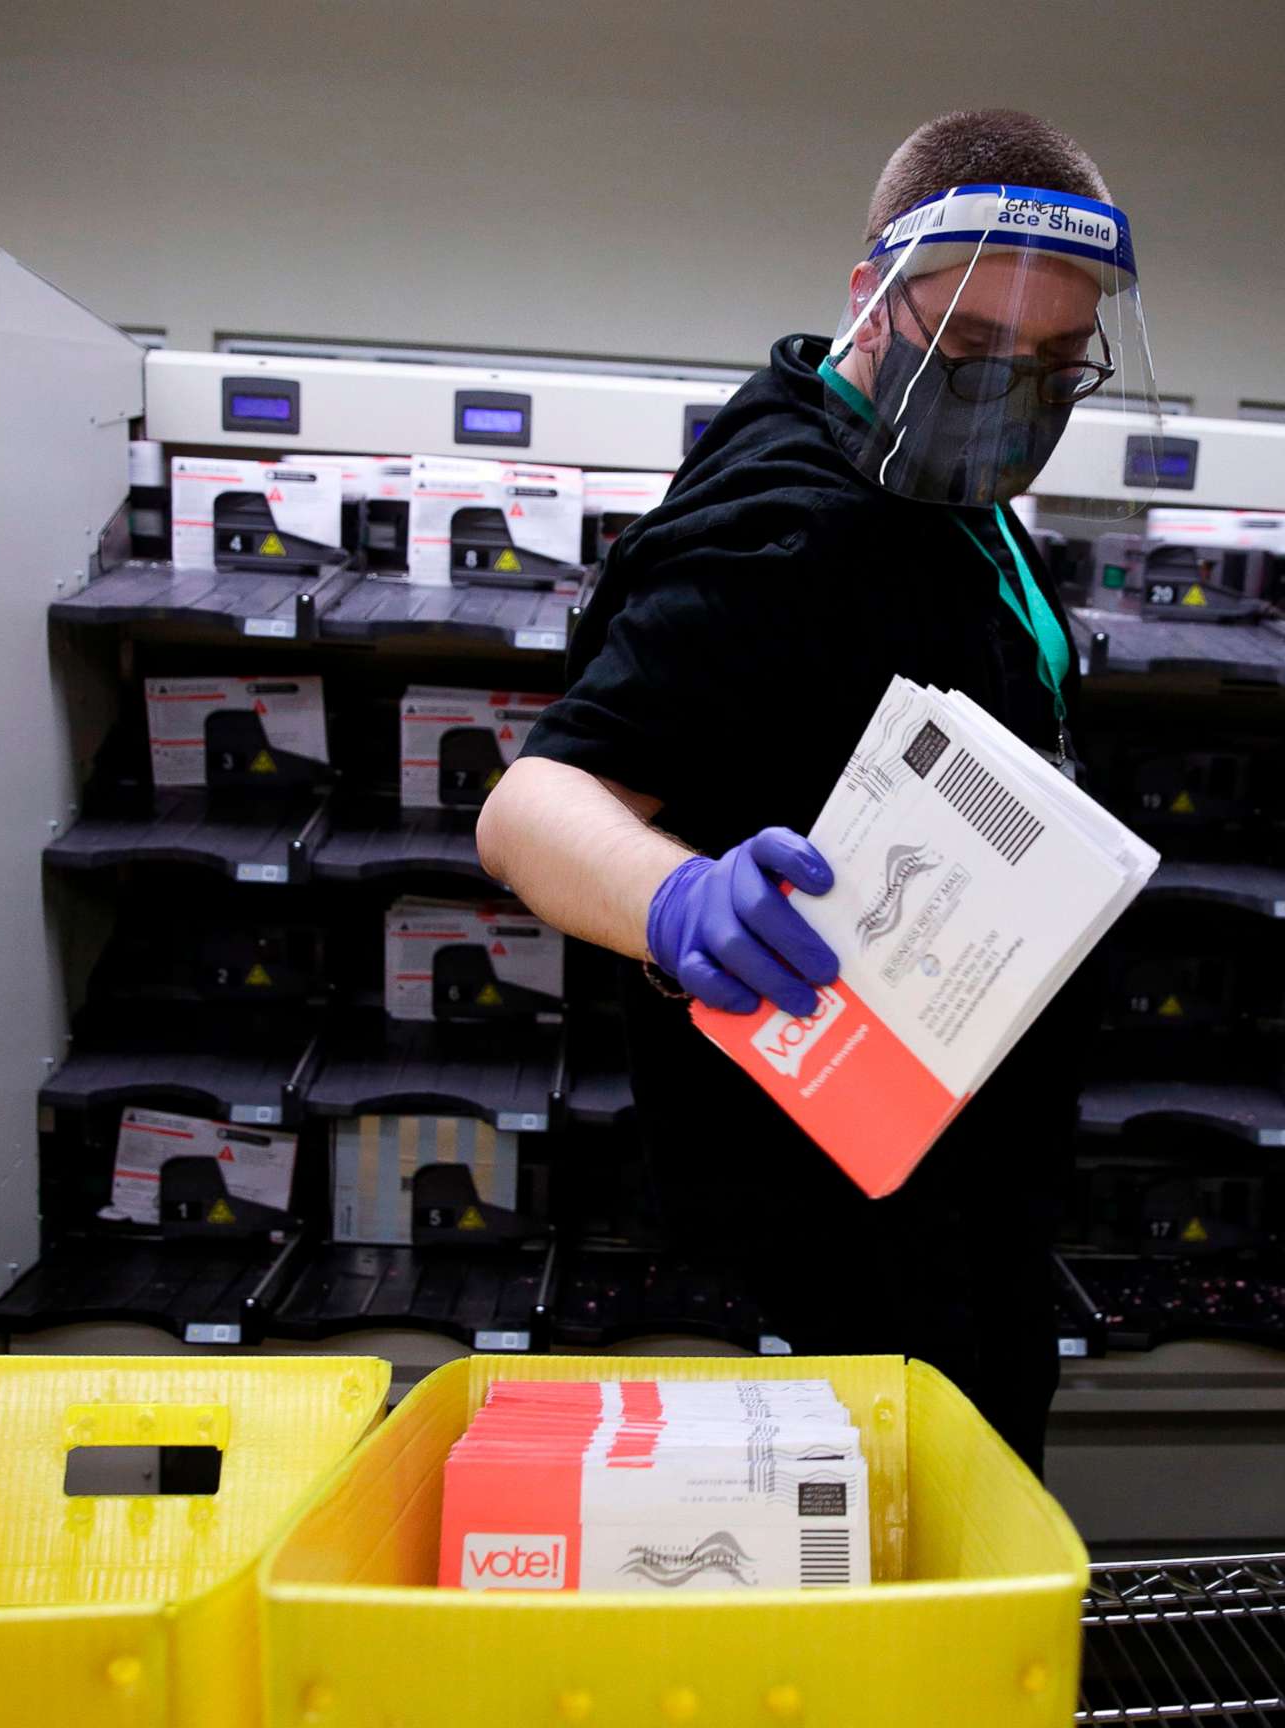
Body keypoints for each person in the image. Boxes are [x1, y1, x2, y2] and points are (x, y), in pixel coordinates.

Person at [479, 109, 1156, 1469]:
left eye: (1051, 365)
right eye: (969, 350)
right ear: (873, 298)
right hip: (848, 1209)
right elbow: (531, 808)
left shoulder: (929, 478)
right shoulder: (793, 521)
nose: (1007, 393)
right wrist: (681, 898)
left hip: (949, 1146)